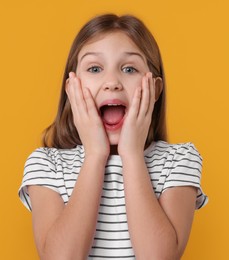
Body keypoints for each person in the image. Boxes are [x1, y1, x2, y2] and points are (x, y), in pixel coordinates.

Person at [18, 13, 208, 260]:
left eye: (129, 69)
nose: (112, 82)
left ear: (155, 89)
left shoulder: (179, 159)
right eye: (95, 68)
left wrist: (132, 155)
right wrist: (95, 155)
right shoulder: (46, 164)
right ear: (71, 88)